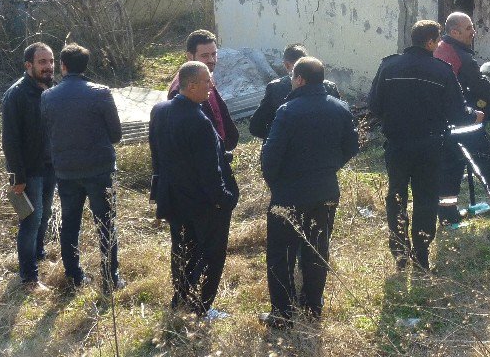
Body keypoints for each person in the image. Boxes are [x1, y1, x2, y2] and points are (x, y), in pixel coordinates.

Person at [367, 20, 478, 271]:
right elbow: (458, 113)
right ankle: (421, 254)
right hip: (430, 146)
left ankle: (399, 251)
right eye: (437, 40)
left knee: (396, 196)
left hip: (397, 145)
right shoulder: (442, 71)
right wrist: (474, 114)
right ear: (430, 42)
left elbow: (374, 105)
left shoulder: (389, 66)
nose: (439, 44)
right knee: (426, 198)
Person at [259, 57, 359, 329]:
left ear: (300, 79)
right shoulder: (341, 108)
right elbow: (351, 147)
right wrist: (329, 167)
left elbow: (271, 157)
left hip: (289, 193)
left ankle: (282, 314)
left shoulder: (288, 110)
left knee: (282, 254)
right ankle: (313, 306)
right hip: (325, 190)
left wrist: (276, 183)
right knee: (317, 248)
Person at [150, 61, 239, 320]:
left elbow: (157, 157)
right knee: (211, 255)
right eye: (207, 81)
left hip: (174, 199)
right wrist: (225, 200)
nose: (211, 87)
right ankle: (201, 308)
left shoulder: (160, 110)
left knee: (182, 251)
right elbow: (209, 172)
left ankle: (180, 299)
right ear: (191, 85)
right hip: (204, 203)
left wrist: (158, 193)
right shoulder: (198, 120)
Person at [40, 43, 123, 292]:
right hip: (100, 169)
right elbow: (116, 134)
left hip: (66, 171)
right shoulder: (100, 92)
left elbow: (49, 132)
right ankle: (110, 277)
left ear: (63, 66)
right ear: (86, 66)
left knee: (70, 221)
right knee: (106, 223)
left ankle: (74, 275)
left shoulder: (48, 96)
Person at [433, 13, 490, 223]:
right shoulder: (461, 57)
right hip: (466, 124)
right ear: (454, 32)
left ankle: (448, 216)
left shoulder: (439, 50)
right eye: (468, 29)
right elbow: (480, 87)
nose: (473, 32)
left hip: (444, 126)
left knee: (450, 169)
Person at [1, 42, 57, 293]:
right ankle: (29, 278)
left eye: (51, 61)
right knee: (31, 221)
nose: (48, 67)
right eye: (42, 62)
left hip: (51, 166)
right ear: (28, 65)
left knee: (44, 215)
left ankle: (37, 254)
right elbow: (10, 139)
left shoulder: (53, 89)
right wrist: (17, 177)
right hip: (29, 171)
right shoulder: (16, 94)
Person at [249, 44, 342, 140]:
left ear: (286, 64)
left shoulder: (275, 88)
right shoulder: (330, 87)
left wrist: (277, 138)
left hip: (286, 148)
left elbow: (256, 127)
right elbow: (341, 124)